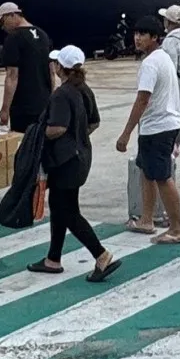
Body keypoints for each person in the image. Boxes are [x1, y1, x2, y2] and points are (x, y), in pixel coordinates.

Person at [29, 47, 121, 282]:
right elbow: (94, 122)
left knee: (67, 211)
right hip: (80, 158)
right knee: (60, 205)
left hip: (65, 161)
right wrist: (78, 136)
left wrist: (37, 134)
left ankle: (101, 255)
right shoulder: (84, 89)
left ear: (60, 67)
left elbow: (58, 128)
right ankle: (53, 259)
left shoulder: (62, 94)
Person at [117, 18, 180, 243]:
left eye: (143, 34)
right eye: (136, 33)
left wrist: (126, 133)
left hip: (157, 127)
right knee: (147, 172)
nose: (137, 38)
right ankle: (146, 220)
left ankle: (178, 229)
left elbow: (142, 99)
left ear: (155, 37)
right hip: (162, 124)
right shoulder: (163, 57)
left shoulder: (150, 63)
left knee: (162, 177)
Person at [0, 1, 52, 133]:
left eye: (2, 22)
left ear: (12, 15)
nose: (2, 28)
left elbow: (12, 77)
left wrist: (5, 109)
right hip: (44, 104)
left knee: (25, 142)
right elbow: (51, 72)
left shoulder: (13, 39)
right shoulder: (43, 35)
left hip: (23, 107)